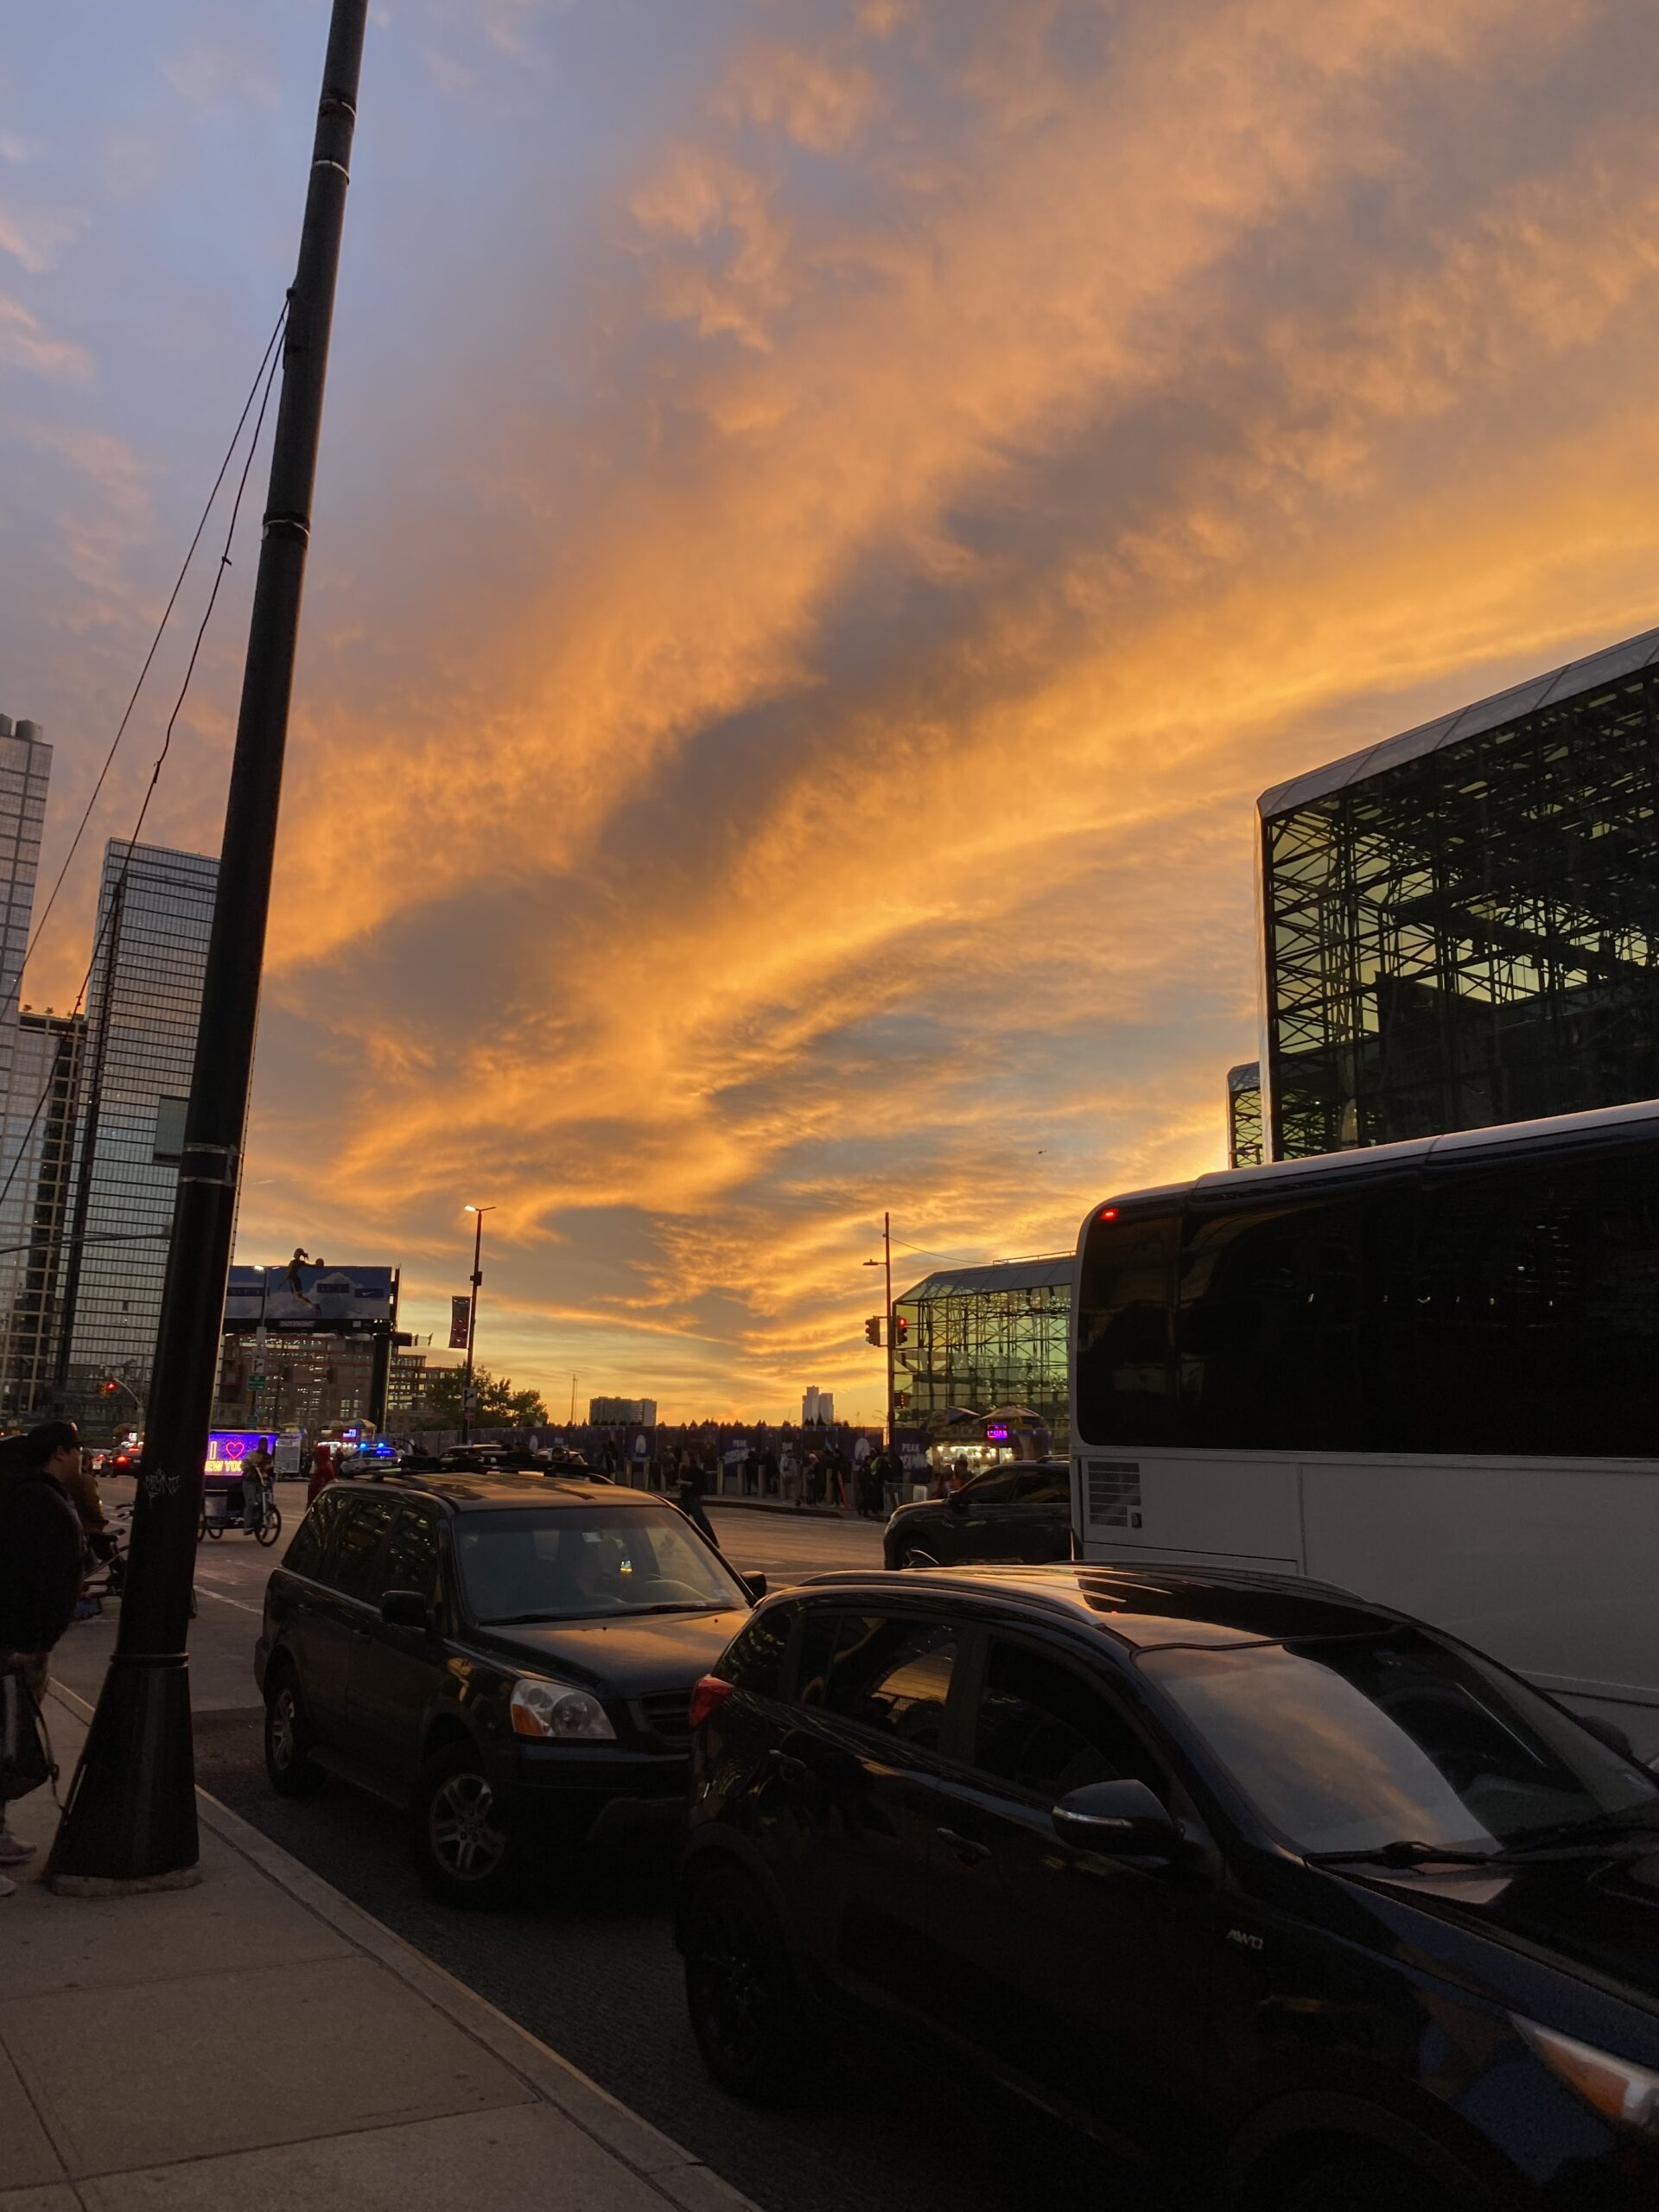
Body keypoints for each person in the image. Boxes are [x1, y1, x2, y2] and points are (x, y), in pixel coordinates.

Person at [0, 1422, 85, 1895]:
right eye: (77, 1450)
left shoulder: (30, 1495)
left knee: (9, 1744)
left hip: (22, 1644)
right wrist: (23, 1644)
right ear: (58, 1452)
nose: (82, 1459)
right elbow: (25, 1579)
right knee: (5, 1744)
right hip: (16, 1647)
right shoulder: (36, 1501)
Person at [241, 1437, 275, 1533]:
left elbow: (271, 1468)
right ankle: (246, 1526)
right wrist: (250, 1467)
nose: (264, 1447)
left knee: (266, 1501)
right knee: (250, 1502)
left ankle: (265, 1520)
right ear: (259, 1445)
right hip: (250, 1481)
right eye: (262, 1445)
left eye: (265, 1445)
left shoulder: (268, 1457)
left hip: (261, 1482)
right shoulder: (252, 1455)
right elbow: (244, 1465)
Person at [308, 1439, 334, 1504]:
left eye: (317, 1454)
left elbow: (320, 1484)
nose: (315, 1457)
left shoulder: (324, 1467)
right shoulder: (324, 1465)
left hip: (318, 1498)